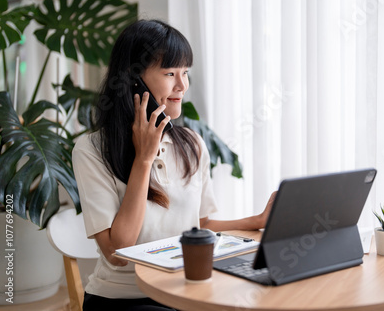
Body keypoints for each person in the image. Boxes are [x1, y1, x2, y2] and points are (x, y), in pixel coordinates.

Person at [72, 19, 275, 311]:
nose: (182, 85)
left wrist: (256, 221)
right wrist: (143, 159)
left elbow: (199, 225)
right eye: (170, 73)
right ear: (134, 80)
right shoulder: (91, 150)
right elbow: (118, 252)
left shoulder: (191, 144)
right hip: (125, 299)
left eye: (185, 72)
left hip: (186, 290)